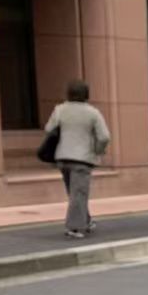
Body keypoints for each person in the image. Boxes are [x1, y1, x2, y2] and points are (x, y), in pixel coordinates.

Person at [43, 79, 110, 239]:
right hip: (82, 159)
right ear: (86, 94)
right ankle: (74, 227)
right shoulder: (92, 112)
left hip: (62, 158)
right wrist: (98, 150)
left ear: (68, 93)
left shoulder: (60, 109)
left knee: (74, 193)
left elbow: (48, 128)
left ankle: (86, 221)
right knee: (78, 194)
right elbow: (104, 137)